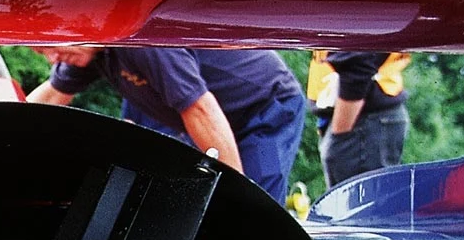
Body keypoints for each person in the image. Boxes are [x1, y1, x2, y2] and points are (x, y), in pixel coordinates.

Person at [26, 47, 308, 201]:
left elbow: (200, 108)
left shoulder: (142, 44)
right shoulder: (89, 51)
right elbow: (48, 97)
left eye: (51, 46)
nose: (52, 58)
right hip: (212, 119)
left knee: (253, 211)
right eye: (43, 53)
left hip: (263, 107)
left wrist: (236, 197)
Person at [310, 51, 411, 188]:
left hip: (361, 122)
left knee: (358, 204)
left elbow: (357, 60)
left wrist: (340, 132)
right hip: (362, 119)